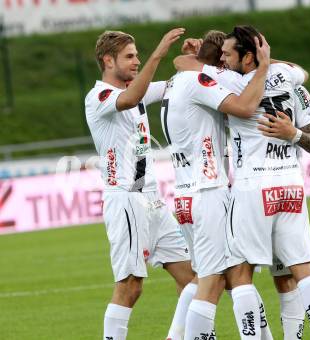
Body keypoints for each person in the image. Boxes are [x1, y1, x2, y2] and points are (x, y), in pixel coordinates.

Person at [174, 28, 310, 339]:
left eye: (228, 53)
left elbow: (182, 62)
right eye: (221, 54)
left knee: (219, 278)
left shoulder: (209, 80)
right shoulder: (231, 80)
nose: (224, 59)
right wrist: (265, 61)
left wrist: (253, 60)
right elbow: (297, 73)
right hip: (219, 189)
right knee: (223, 279)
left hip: (197, 191)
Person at [84, 28, 197, 340]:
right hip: (126, 200)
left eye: (138, 56)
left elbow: (178, 85)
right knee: (131, 287)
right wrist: (159, 54)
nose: (137, 61)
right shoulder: (99, 97)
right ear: (108, 61)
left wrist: (194, 58)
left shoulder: (136, 89)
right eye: (130, 56)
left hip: (152, 200)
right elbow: (132, 96)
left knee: (195, 278)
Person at [161, 30, 271, 339]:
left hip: (185, 195)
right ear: (217, 64)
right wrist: (262, 68)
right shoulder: (201, 82)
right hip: (207, 191)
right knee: (212, 283)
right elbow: (246, 107)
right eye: (224, 57)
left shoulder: (174, 82)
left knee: (230, 275)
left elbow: (183, 61)